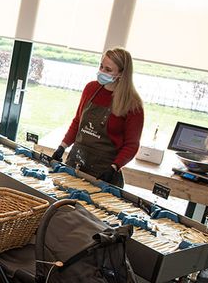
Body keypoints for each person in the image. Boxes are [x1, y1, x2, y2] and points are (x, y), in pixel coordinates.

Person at [52, 47, 144, 187]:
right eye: (101, 66)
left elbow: (131, 145)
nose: (102, 72)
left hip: (103, 170)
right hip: (76, 160)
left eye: (108, 70)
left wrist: (114, 167)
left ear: (121, 74)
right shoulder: (91, 89)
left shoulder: (132, 104)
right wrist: (62, 146)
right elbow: (78, 122)